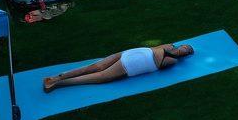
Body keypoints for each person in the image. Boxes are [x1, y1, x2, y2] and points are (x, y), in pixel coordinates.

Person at [41, 43, 195, 92]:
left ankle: (56, 79)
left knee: (97, 68)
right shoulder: (172, 57)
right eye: (186, 47)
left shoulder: (172, 57)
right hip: (132, 60)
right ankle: (57, 81)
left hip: (134, 57)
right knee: (98, 74)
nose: (185, 49)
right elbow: (157, 60)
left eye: (187, 51)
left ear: (185, 55)